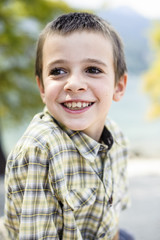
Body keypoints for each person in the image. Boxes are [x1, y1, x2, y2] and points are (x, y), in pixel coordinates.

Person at [4, 12, 134, 240]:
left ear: (119, 86)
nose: (74, 84)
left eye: (93, 69)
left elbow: (111, 218)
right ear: (42, 87)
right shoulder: (39, 151)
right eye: (58, 71)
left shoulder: (117, 138)